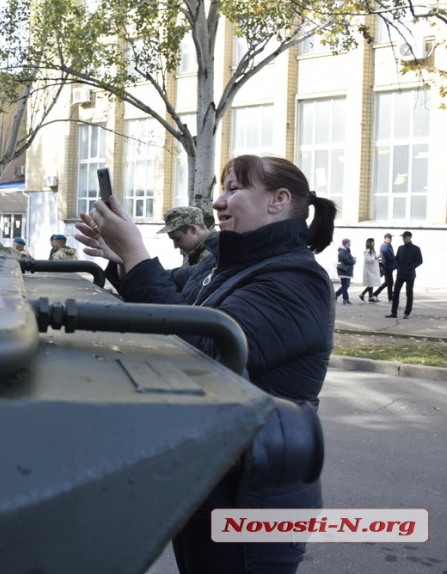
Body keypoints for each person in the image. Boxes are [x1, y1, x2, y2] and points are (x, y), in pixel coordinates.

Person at [75, 154, 336, 574]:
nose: (218, 202)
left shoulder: (295, 280)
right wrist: (122, 256)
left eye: (234, 189)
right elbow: (164, 294)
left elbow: (200, 349)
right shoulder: (220, 265)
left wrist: (136, 253)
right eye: (222, 188)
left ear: (278, 201)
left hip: (254, 499)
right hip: (210, 478)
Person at [386, 231, 423, 319]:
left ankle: (407, 312)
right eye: (403, 237)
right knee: (396, 293)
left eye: (405, 237)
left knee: (409, 293)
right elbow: (397, 258)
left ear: (409, 237)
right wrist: (397, 266)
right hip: (400, 273)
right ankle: (393, 312)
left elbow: (419, 261)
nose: (404, 239)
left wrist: (410, 267)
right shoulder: (401, 248)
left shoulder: (416, 249)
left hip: (410, 274)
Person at [372, 233, 395, 302]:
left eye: (391, 237)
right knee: (389, 282)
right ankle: (390, 298)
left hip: (390, 266)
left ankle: (376, 294)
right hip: (387, 266)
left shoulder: (389, 245)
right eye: (389, 238)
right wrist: (395, 258)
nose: (391, 239)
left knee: (388, 282)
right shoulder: (384, 246)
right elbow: (387, 257)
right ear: (386, 238)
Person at [358, 238, 380, 303]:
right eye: (372, 243)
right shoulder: (366, 251)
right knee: (370, 284)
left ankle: (370, 297)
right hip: (369, 270)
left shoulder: (372, 251)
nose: (373, 244)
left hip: (372, 270)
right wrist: (375, 257)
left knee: (371, 284)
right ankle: (362, 294)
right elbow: (367, 259)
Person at [335, 238, 355, 305]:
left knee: (347, 285)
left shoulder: (347, 250)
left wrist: (352, 260)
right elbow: (345, 259)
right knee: (345, 285)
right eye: (348, 243)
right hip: (343, 271)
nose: (349, 245)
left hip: (347, 271)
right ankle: (345, 299)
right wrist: (352, 261)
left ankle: (335, 295)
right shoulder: (342, 251)